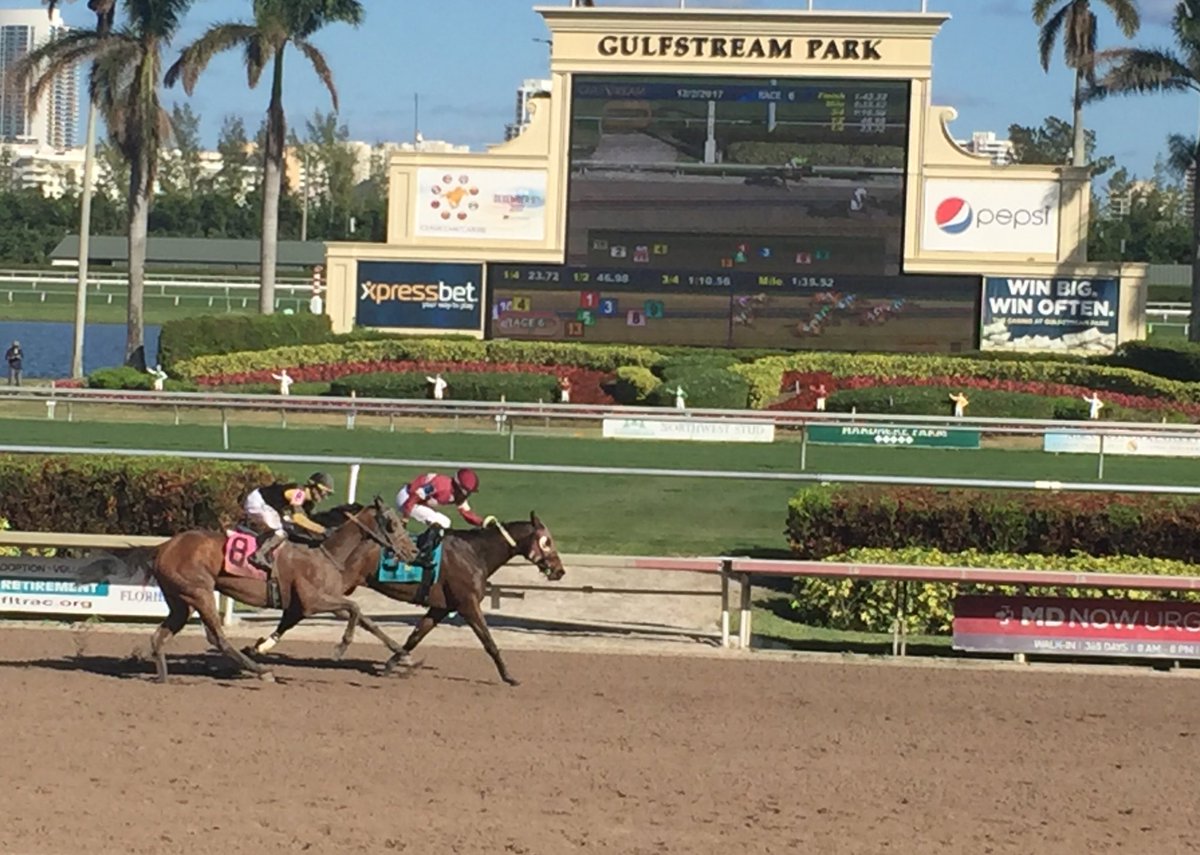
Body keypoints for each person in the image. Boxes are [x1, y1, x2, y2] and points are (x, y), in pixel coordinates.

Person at [243, 472, 334, 573]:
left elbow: (306, 523)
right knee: (280, 531)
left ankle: (267, 548)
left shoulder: (309, 504)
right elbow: (298, 518)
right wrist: (323, 530)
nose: (325, 496)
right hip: (257, 502)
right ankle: (258, 555)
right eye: (324, 492)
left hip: (269, 506)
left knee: (289, 529)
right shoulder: (299, 492)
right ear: (313, 486)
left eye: (328, 494)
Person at [396, 468, 484, 567]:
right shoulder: (440, 485)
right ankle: (422, 555)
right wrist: (405, 519)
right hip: (407, 499)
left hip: (415, 501)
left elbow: (467, 514)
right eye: (468, 493)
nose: (468, 496)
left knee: (444, 523)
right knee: (443, 522)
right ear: (460, 489)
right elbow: (413, 498)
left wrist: (484, 523)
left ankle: (423, 548)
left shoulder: (457, 494)